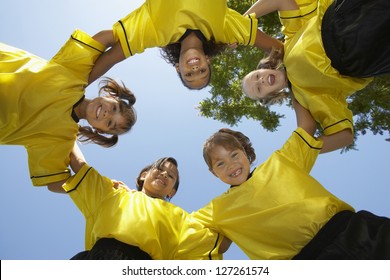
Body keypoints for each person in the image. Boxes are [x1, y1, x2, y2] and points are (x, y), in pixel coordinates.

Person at [190, 97, 390, 259]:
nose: (231, 164)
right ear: (213, 173)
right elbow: (179, 229)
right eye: (220, 163)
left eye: (234, 155)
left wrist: (294, 82)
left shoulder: (281, 160)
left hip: (352, 229)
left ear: (245, 152)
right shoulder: (217, 210)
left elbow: (307, 126)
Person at [241, 0, 390, 153]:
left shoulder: (290, 40)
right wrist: (304, 152)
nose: (261, 80)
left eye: (257, 75)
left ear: (264, 68)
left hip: (342, 19)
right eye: (259, 88)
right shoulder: (305, 98)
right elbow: (345, 136)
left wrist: (241, 21)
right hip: (360, 56)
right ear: (271, 95)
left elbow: (283, 1)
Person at [0, 30, 137, 191]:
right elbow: (104, 39)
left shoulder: (62, 138)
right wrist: (133, 33)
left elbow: (55, 182)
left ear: (98, 130)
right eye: (114, 108)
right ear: (110, 96)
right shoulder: (75, 74)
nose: (107, 114)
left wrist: (100, 188)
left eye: (110, 123)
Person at [59, 144, 230, 260]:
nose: (164, 174)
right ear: (143, 175)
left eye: (171, 176)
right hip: (96, 257)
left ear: (172, 191)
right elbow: (79, 164)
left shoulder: (181, 218)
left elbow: (219, 244)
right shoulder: (113, 193)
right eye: (160, 169)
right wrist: (69, 122)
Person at [87, 0, 281, 90]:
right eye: (202, 71)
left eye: (189, 74)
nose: (195, 68)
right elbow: (278, 49)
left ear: (178, 68)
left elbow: (111, 55)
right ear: (207, 61)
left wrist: (76, 87)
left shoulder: (154, 32)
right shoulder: (225, 30)